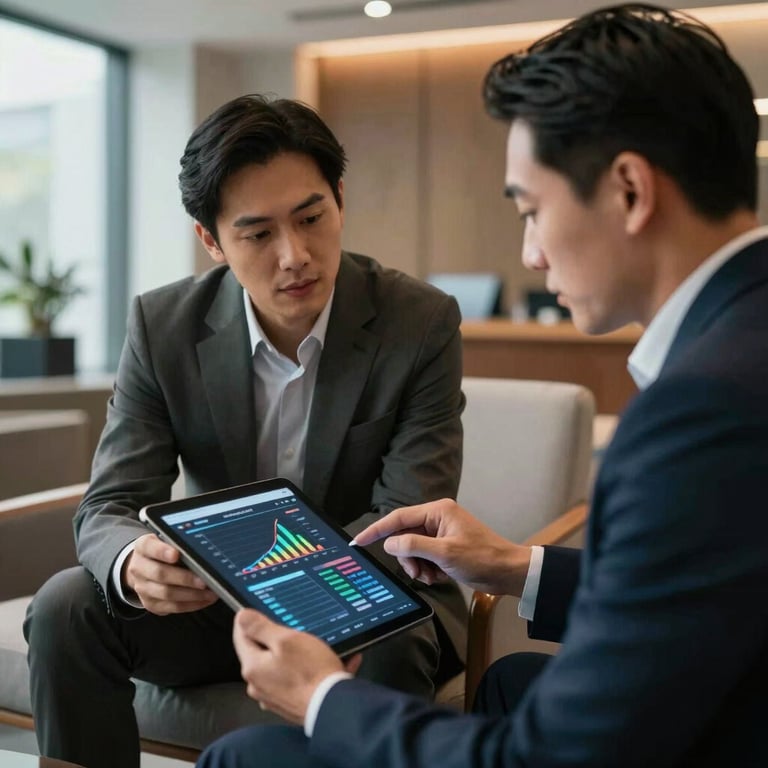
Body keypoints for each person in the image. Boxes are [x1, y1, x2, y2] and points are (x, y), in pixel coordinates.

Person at [195, 4, 768, 767]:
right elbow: (713, 576)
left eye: (532, 210)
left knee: (250, 757)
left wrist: (322, 696)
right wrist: (513, 565)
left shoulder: (701, 410)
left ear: (630, 190)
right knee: (505, 684)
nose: (530, 255)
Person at [23, 95, 469, 768]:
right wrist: (132, 561)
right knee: (66, 606)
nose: (295, 256)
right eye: (258, 234)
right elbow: (110, 504)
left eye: (311, 218)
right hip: (218, 598)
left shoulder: (420, 321)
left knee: (391, 634)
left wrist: (303, 586)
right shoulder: (163, 326)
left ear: (339, 198)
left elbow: (407, 514)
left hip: (364, 585)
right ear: (211, 239)